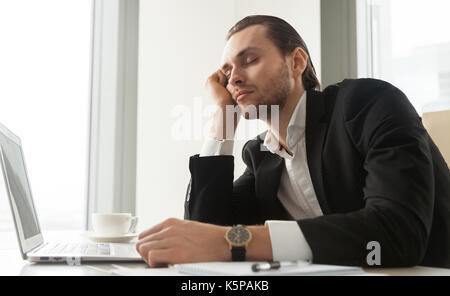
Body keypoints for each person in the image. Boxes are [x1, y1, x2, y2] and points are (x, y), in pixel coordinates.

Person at [136, 15, 450, 268]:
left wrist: (237, 241)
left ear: (296, 62)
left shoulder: (367, 104)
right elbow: (205, 232)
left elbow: (398, 237)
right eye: (227, 71)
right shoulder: (261, 156)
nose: (233, 79)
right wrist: (223, 120)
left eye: (249, 60)